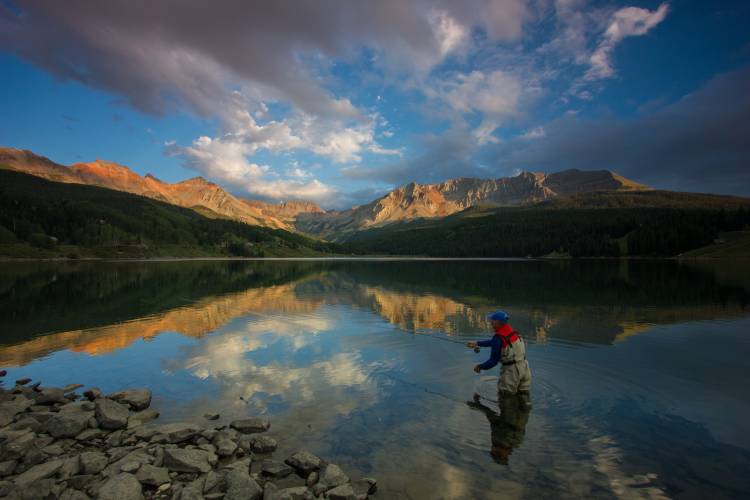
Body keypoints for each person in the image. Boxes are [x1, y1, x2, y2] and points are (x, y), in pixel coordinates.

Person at [467, 310, 532, 406]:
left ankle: (505, 418)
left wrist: (480, 366)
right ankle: (522, 415)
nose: (490, 322)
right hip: (525, 368)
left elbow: (493, 361)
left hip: (511, 372)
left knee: (505, 398)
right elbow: (494, 342)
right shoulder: (512, 332)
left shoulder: (498, 338)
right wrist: (477, 343)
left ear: (498, 322)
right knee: (524, 396)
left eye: (492, 320)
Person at [466, 392, 531, 465]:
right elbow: (492, 417)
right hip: (517, 407)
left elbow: (491, 417)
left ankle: (478, 403)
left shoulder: (510, 443)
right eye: (494, 452)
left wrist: (477, 405)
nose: (509, 455)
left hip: (518, 407)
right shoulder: (512, 442)